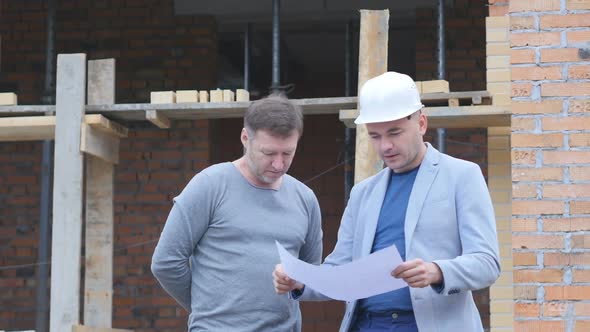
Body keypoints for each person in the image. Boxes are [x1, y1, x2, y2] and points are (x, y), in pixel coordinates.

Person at [273, 72, 500, 332]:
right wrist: (300, 282)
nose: (385, 146)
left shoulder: (462, 176)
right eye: (375, 136)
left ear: (421, 123)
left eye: (394, 133)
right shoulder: (363, 193)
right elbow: (339, 271)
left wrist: (437, 271)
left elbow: (487, 263)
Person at [152, 93, 323, 331]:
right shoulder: (210, 185)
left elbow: (310, 275)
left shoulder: (305, 199)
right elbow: (166, 262)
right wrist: (206, 309)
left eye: (287, 153)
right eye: (269, 153)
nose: (278, 164)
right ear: (245, 138)